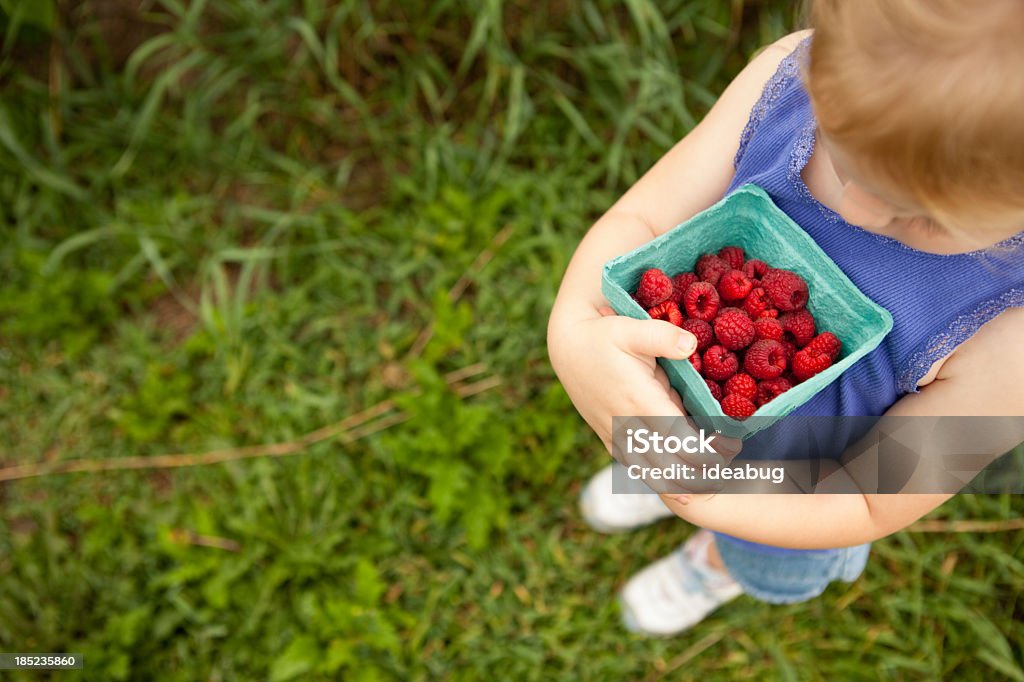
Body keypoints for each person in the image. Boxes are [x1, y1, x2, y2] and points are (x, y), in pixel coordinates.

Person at [547, 0, 1024, 637]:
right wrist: (575, 329)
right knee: (658, 447)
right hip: (675, 397)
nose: (855, 206)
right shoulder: (786, 79)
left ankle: (714, 562)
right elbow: (641, 224)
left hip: (797, 494)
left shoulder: (1012, 337)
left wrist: (714, 501)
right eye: (839, 147)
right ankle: (657, 463)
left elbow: (869, 497)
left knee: (750, 547)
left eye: (924, 215)